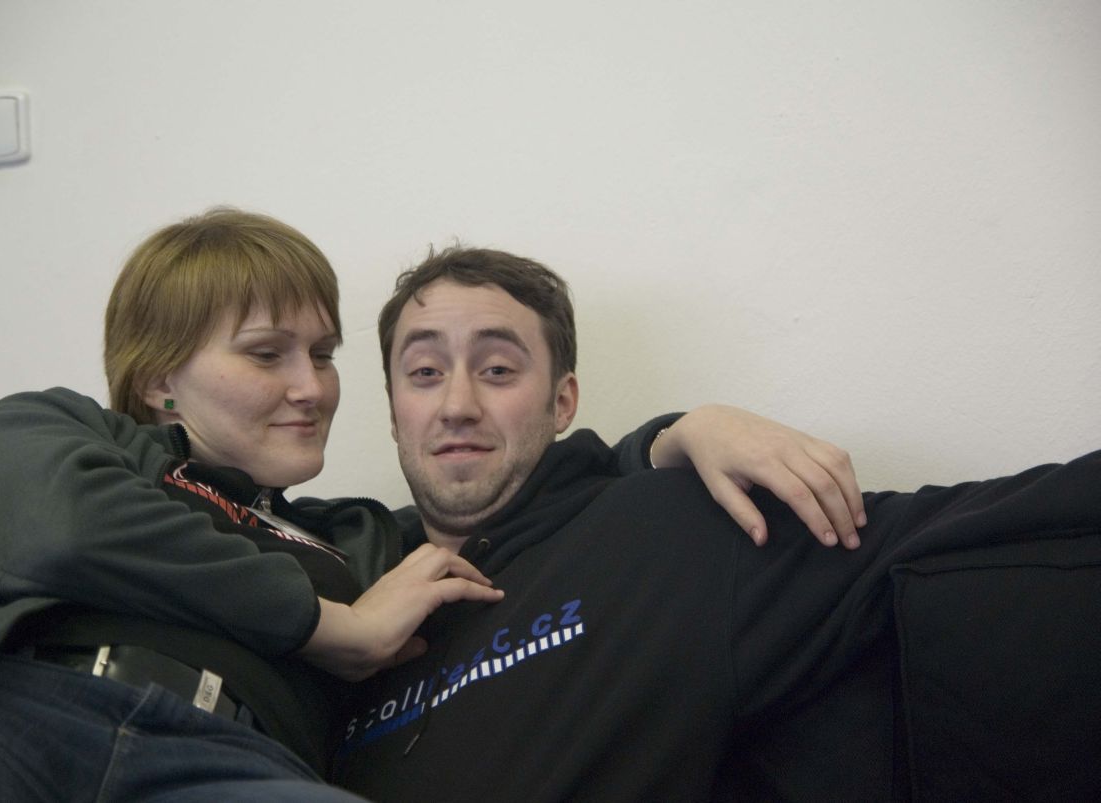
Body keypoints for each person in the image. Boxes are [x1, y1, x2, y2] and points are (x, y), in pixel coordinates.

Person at [0, 208, 861, 800]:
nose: (312, 386)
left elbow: (525, 507)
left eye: (323, 354)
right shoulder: (71, 433)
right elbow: (55, 522)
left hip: (223, 767)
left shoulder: (358, 540)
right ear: (159, 380)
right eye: (268, 353)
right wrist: (326, 624)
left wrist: (677, 433)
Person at [328, 245, 1101, 801]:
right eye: (424, 372)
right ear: (394, 409)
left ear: (563, 401)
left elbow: (977, 525)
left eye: (498, 369)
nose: (457, 403)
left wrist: (669, 439)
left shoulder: (666, 530)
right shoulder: (341, 601)